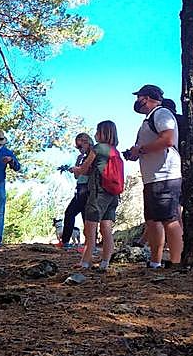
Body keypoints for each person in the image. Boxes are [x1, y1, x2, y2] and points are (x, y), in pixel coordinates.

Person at [124, 84, 182, 270]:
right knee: (153, 220)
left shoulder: (161, 113)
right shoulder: (149, 119)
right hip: (151, 177)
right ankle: (155, 262)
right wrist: (135, 153)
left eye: (139, 97)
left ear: (146, 98)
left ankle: (176, 262)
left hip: (165, 175)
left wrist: (140, 149)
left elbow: (168, 140)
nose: (137, 102)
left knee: (169, 219)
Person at [74, 121, 121, 272]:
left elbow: (84, 168)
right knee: (106, 228)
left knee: (90, 227)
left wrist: (76, 169)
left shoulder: (98, 148)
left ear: (102, 133)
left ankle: (85, 262)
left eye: (97, 130)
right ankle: (105, 262)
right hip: (113, 193)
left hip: (98, 192)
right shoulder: (114, 151)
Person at [59, 132, 92, 250]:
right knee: (70, 213)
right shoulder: (80, 157)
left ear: (86, 142)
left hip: (88, 188)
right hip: (79, 187)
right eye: (77, 147)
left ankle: (89, 244)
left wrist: (79, 168)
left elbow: (90, 171)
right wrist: (77, 165)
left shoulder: (93, 154)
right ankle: (66, 241)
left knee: (86, 217)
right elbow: (77, 176)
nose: (79, 149)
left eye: (80, 146)